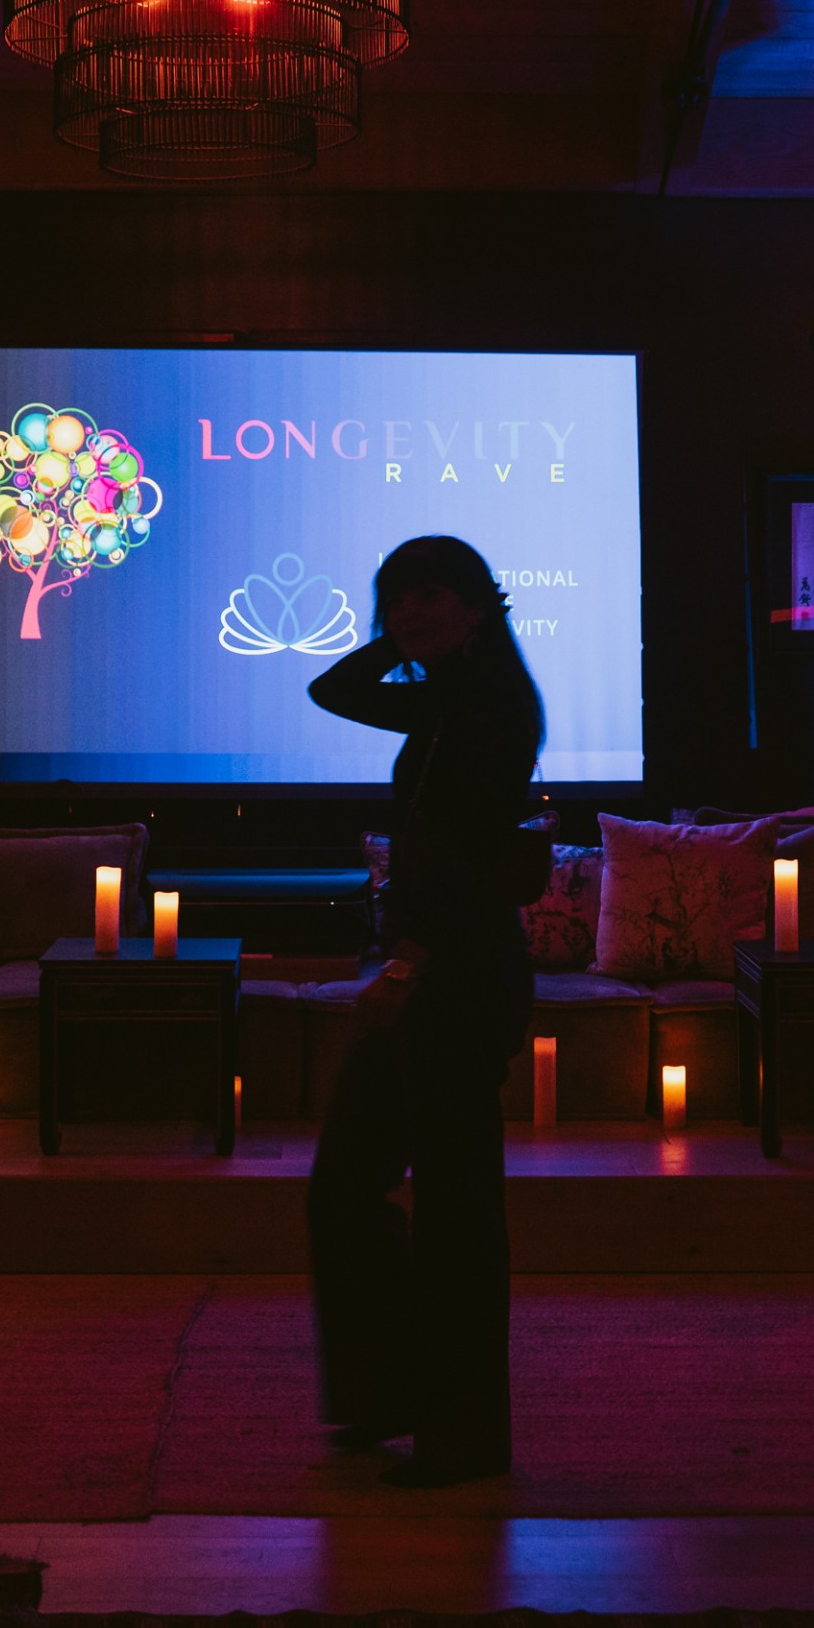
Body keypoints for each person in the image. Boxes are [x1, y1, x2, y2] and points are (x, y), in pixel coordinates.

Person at [302, 535, 544, 1488]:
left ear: (479, 603)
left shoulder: (488, 707)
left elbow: (471, 864)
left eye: (429, 595)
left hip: (458, 975)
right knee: (352, 1185)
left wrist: (405, 965)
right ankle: (397, 1398)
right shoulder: (445, 699)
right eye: (394, 599)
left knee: (453, 1209)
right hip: (440, 974)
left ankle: (461, 1435)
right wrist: (394, 635)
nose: (408, 613)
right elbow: (334, 690)